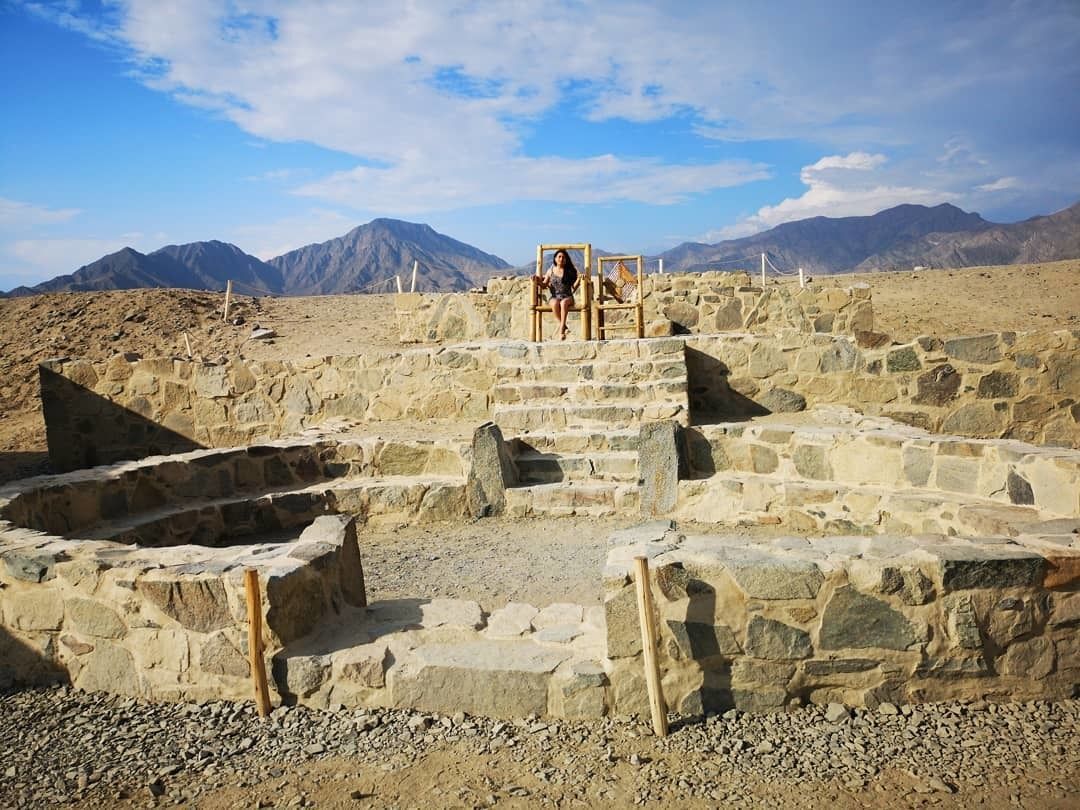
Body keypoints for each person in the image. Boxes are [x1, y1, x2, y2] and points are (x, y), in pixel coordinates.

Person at [537, 249, 579, 339]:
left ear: (566, 259)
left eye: (563, 257)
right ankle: (564, 325)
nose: (561, 258)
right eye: (559, 256)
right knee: (555, 303)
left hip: (567, 297)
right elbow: (544, 285)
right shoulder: (550, 271)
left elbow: (574, 288)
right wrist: (536, 281)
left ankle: (561, 331)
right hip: (554, 297)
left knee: (563, 303)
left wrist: (580, 279)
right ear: (555, 259)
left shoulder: (569, 271)